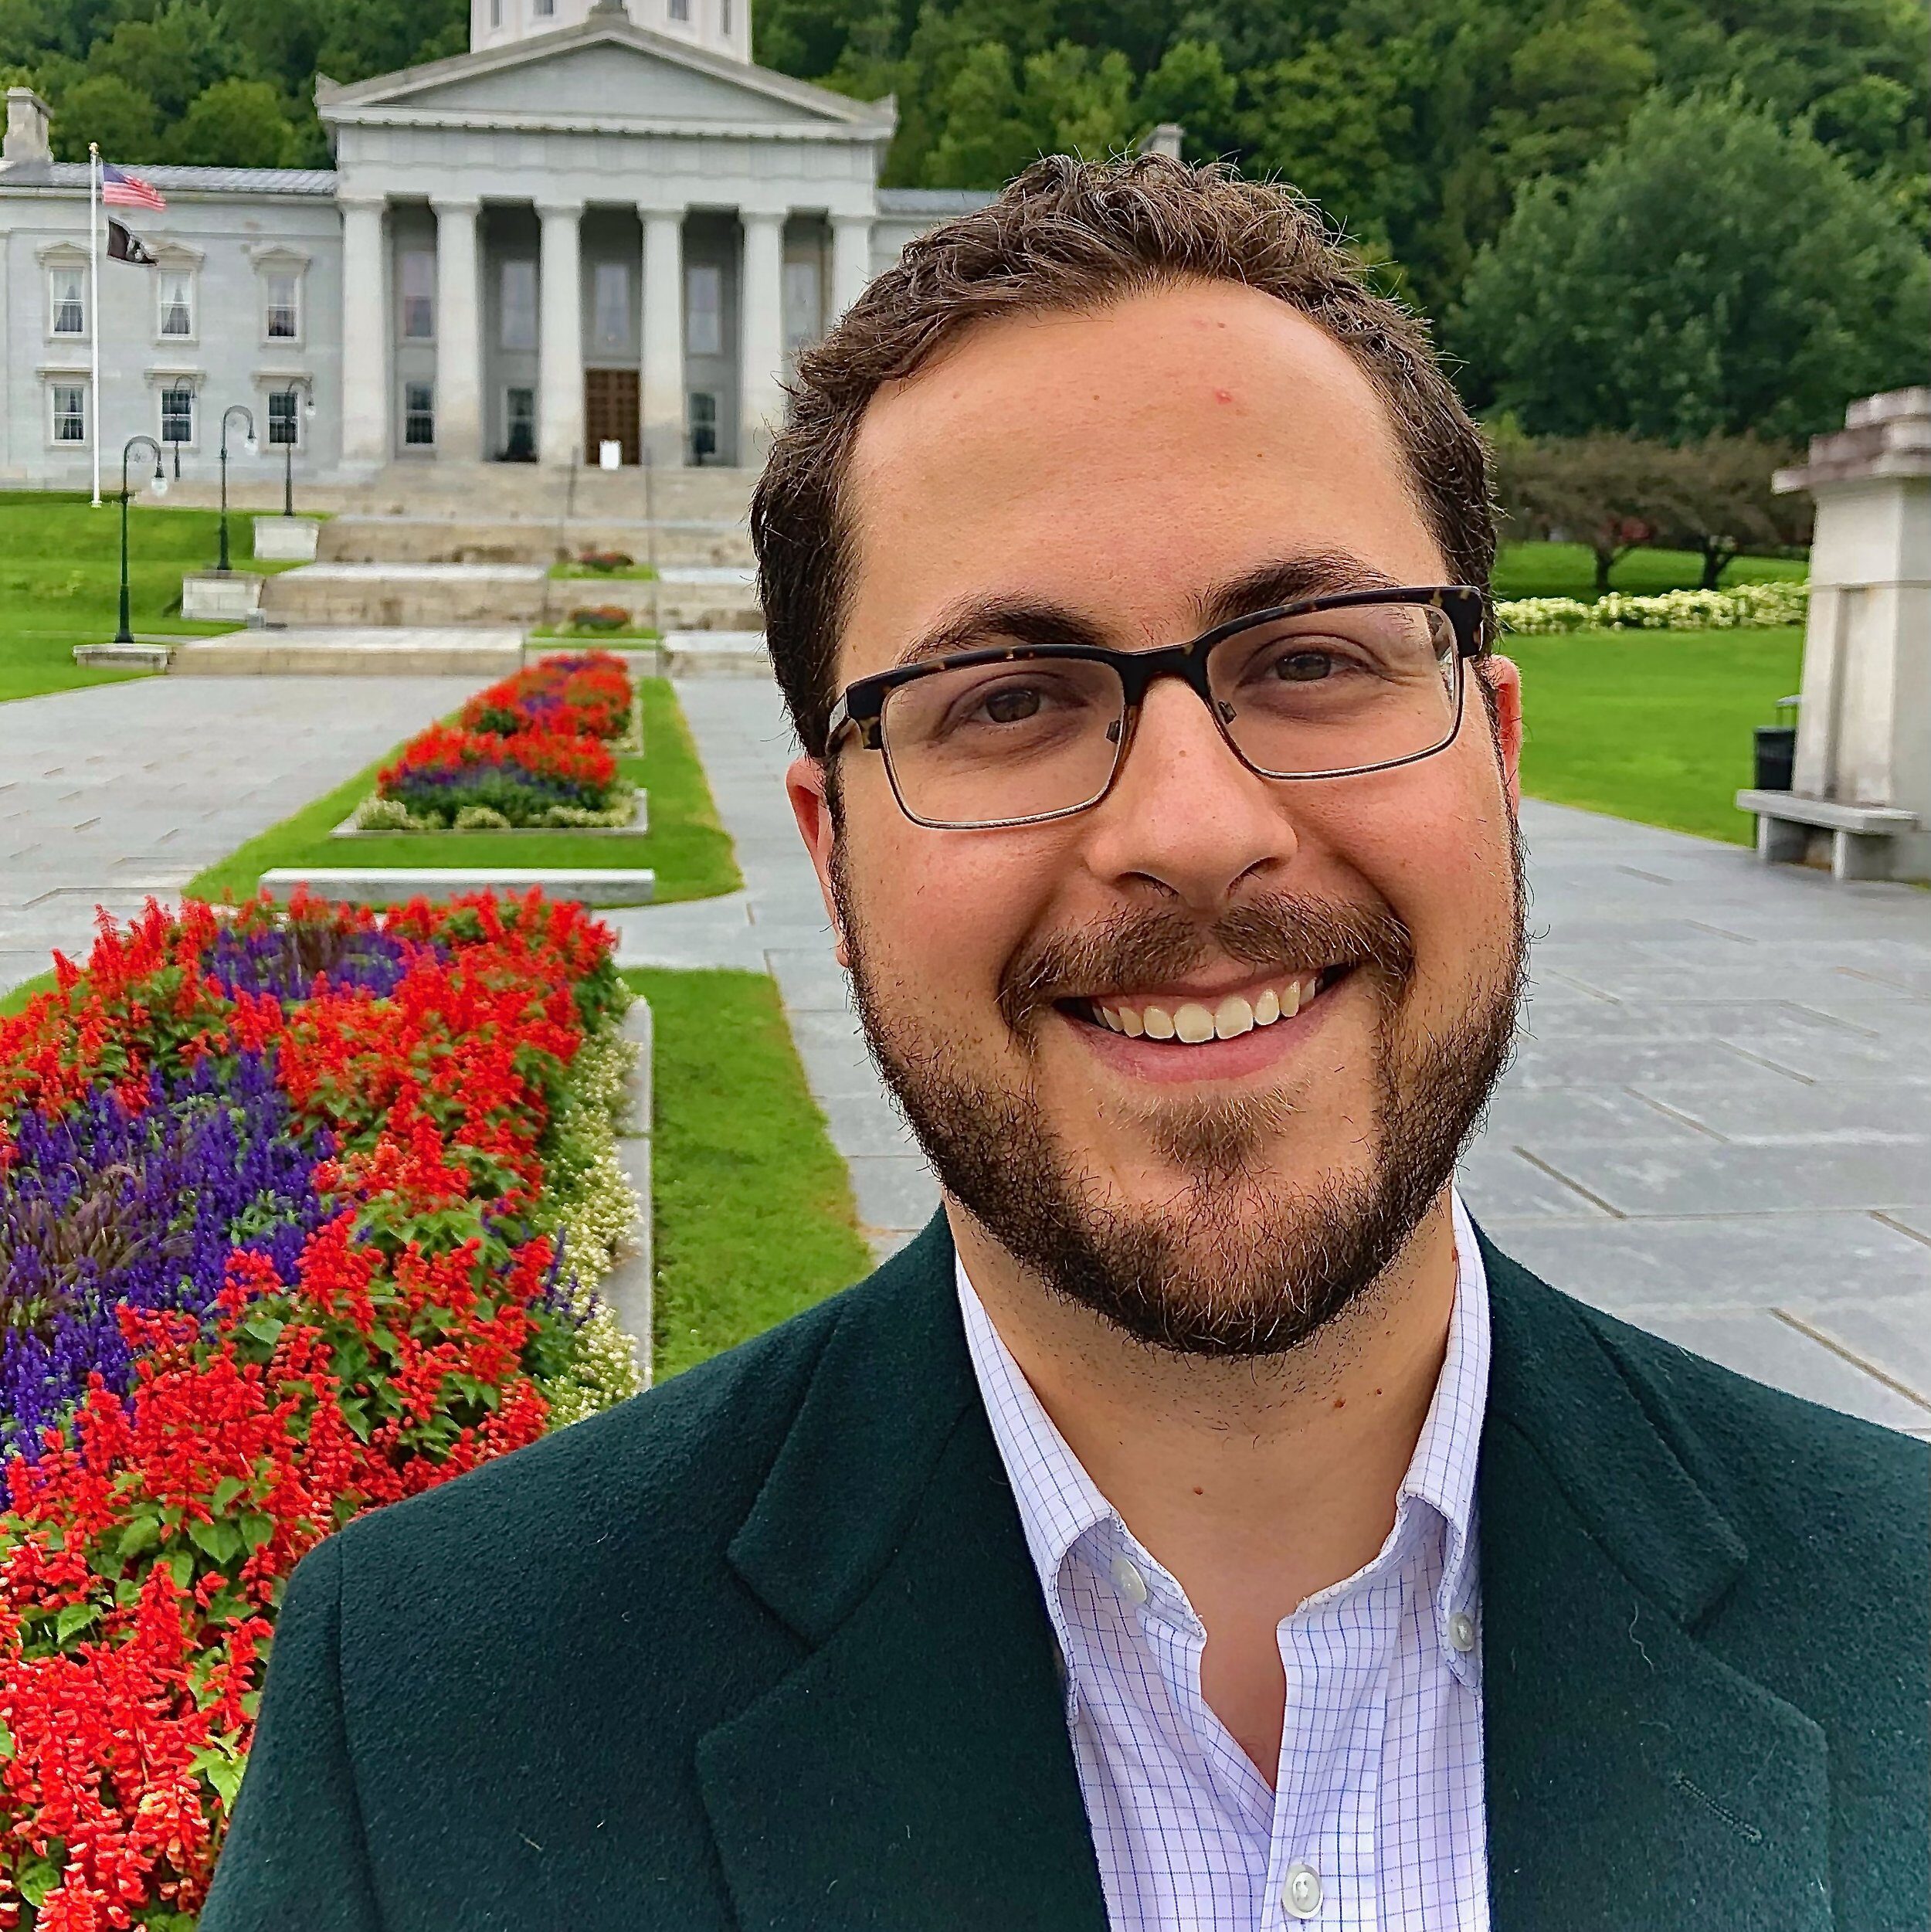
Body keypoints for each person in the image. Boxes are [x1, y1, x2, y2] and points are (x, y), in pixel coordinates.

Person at [202, 156, 1927, 1932]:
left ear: (1489, 754)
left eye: (1313, 657)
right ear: (832, 851)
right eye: (1006, 701)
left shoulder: (1904, 1616)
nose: (1190, 826)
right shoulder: (429, 1726)